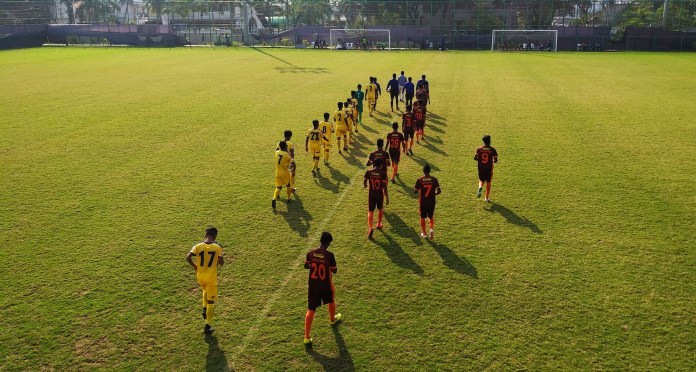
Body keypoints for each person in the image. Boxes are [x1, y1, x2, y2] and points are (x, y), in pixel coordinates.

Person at [303, 232, 342, 345]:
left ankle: (306, 337)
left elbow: (306, 265)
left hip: (313, 285)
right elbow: (334, 270)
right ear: (329, 242)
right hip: (325, 284)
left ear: (320, 240)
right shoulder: (330, 255)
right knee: (331, 299)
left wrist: (314, 264)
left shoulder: (310, 253)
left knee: (311, 309)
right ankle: (332, 320)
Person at [186, 226, 225, 334]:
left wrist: (195, 266)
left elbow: (188, 257)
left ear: (205, 235)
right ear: (215, 235)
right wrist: (220, 257)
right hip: (211, 278)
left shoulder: (197, 246)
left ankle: (204, 308)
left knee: (205, 291)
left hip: (200, 276)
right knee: (211, 301)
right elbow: (221, 263)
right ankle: (208, 325)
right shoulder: (218, 247)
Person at [364, 158, 389, 239]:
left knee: (370, 211)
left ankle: (370, 228)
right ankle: (379, 224)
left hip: (371, 194)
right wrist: (387, 196)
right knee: (380, 209)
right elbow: (384, 186)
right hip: (379, 194)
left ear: (374, 164)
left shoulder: (369, 172)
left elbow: (365, 180)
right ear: (381, 165)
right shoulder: (382, 173)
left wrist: (365, 185)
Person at [414, 164, 441, 239]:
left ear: (423, 171)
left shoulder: (419, 180)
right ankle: (431, 229)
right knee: (431, 216)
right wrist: (433, 194)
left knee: (422, 217)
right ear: (430, 171)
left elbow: (415, 191)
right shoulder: (434, 179)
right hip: (431, 201)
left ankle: (424, 233)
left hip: (423, 202)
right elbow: (439, 191)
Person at [474, 135, 499, 202]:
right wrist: (492, 161)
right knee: (488, 182)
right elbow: (496, 160)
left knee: (481, 180)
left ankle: (480, 188)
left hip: (481, 168)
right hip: (489, 168)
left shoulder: (479, 148)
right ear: (489, 141)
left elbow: (475, 158)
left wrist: (480, 160)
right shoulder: (492, 149)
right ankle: (486, 198)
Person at [272, 141, 294, 209]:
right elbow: (292, 163)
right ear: (285, 146)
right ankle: (289, 198)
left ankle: (274, 198)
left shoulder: (276, 153)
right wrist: (290, 168)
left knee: (278, 187)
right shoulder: (286, 154)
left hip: (278, 172)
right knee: (288, 185)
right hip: (285, 172)